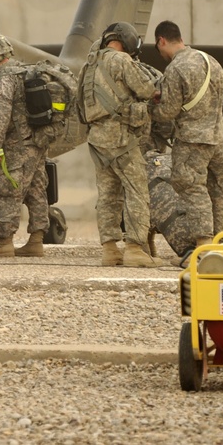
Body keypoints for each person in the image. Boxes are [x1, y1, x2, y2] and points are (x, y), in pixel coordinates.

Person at [77, 22, 162, 267]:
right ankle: (135, 249)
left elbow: (79, 103)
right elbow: (147, 89)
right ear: (128, 40)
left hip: (97, 140)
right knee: (136, 191)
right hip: (122, 139)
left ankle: (110, 250)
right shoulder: (122, 61)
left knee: (107, 195)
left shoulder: (88, 66)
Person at [150, 20, 223, 264]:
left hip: (192, 139)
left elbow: (167, 112)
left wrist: (150, 108)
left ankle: (203, 249)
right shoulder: (210, 61)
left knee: (192, 187)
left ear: (162, 40)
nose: (161, 53)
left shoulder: (176, 68)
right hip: (217, 138)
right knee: (217, 189)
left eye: (158, 47)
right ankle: (219, 246)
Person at [0, 34, 52, 258]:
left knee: (8, 190)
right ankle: (36, 241)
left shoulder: (3, 78)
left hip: (16, 145)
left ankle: (5, 243)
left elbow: (1, 112)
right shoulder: (24, 71)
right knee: (37, 189)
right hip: (36, 142)